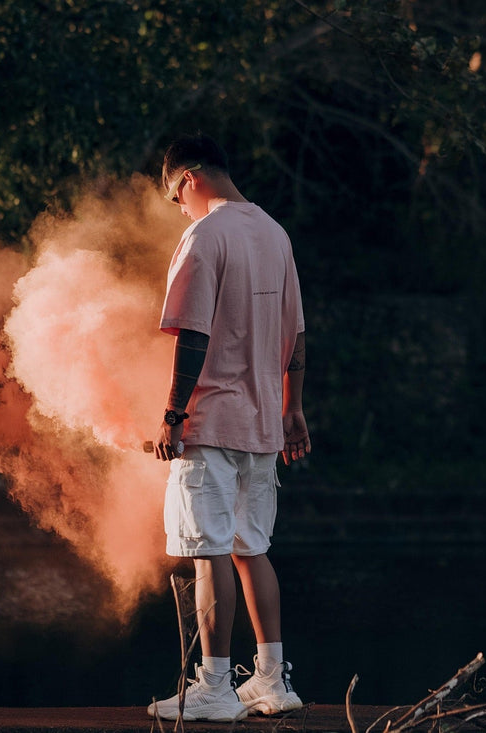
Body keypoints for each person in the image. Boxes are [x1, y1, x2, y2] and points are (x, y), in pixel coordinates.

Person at [146, 134, 311, 722]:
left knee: (208, 548)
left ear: (189, 178)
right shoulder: (275, 232)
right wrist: (292, 411)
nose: (178, 209)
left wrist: (173, 415)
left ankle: (213, 688)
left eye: (174, 197)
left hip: (212, 421)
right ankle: (271, 681)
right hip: (265, 421)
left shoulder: (204, 236)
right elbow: (295, 337)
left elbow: (193, 333)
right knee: (252, 547)